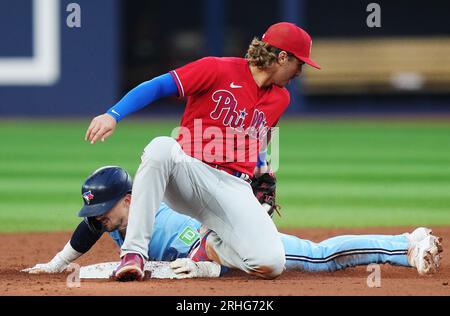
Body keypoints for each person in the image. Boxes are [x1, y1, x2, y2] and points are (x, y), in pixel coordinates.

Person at [23, 166, 443, 278]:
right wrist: (57, 264)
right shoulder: (117, 219)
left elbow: (211, 244)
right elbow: (86, 232)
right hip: (225, 243)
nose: (98, 221)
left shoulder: (156, 217)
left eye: (103, 211)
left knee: (318, 258)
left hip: (235, 241)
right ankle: (404, 243)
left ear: (129, 201)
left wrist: (208, 266)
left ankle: (407, 243)